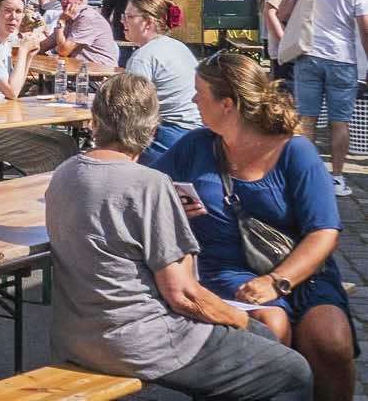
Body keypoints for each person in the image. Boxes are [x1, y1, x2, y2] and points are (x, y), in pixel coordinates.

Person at [45, 73, 314, 401]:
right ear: (152, 130)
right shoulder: (149, 184)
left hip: (76, 335)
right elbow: (183, 295)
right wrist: (238, 319)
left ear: (95, 122)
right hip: (142, 341)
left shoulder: (64, 173)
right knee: (290, 368)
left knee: (252, 350)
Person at [153, 53, 355, 400]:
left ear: (227, 104)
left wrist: (277, 281)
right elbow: (145, 187)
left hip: (300, 272)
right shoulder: (196, 145)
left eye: (200, 92)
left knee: (331, 344)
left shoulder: (295, 152)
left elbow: (323, 232)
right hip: (225, 271)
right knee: (268, 328)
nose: (193, 99)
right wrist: (170, 205)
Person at [278, 0, 368, 194]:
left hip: (308, 54)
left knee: (307, 118)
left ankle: (307, 176)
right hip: (342, 58)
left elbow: (283, 12)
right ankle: (337, 178)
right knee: (340, 121)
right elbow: (365, 28)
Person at [121, 0, 204, 165]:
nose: (122, 21)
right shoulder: (178, 46)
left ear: (148, 23)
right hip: (198, 133)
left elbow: (131, 109)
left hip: (168, 135)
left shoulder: (143, 56)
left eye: (129, 17)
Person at [44, 0, 120, 67]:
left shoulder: (87, 18)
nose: (62, 1)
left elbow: (63, 51)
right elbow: (44, 45)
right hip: (79, 70)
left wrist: (60, 22)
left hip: (99, 73)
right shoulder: (69, 17)